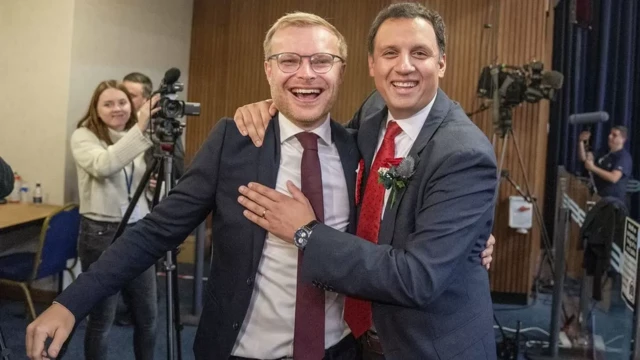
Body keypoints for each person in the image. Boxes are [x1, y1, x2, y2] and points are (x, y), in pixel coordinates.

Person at [25, 11, 493, 360]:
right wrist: (71, 302)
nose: (305, 74)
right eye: (288, 60)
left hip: (340, 349)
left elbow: (400, 229)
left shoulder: (359, 144)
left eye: (321, 61)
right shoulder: (235, 140)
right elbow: (155, 232)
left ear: (343, 71)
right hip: (242, 350)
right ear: (268, 70)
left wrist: (467, 239)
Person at [234, 3, 497, 359]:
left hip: (426, 348)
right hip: (356, 342)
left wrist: (306, 232)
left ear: (442, 63)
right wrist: (275, 107)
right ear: (372, 64)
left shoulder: (465, 154)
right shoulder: (374, 110)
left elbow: (416, 279)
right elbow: (338, 156)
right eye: (390, 53)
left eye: (419, 53)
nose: (404, 66)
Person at [63, 80, 160, 360]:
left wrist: (155, 186)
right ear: (96, 108)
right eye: (108, 103)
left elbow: (150, 186)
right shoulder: (84, 136)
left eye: (122, 102)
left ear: (131, 105)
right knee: (101, 320)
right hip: (100, 233)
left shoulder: (141, 136)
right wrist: (140, 128)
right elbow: (104, 165)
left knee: (148, 316)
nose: (117, 108)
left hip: (139, 231)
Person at [578, 126, 632, 202]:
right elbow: (584, 158)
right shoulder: (603, 151)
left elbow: (613, 178)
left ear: (622, 139)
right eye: (610, 134)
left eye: (614, 135)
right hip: (598, 197)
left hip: (612, 202)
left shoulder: (623, 157)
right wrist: (581, 142)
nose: (610, 137)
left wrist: (593, 168)